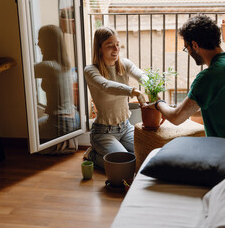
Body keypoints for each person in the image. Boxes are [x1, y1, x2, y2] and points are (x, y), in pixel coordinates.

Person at [148, 15, 225, 145]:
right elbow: (221, 109)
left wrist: (158, 104)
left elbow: (176, 118)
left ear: (194, 45)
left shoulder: (210, 76)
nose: (187, 52)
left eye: (186, 47)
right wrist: (179, 110)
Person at [84, 26, 147, 169]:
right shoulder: (91, 70)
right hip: (103, 133)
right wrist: (133, 91)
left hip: (126, 127)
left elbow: (140, 74)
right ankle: (92, 155)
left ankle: (108, 155)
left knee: (146, 155)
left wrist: (151, 83)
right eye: (110, 45)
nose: (116, 49)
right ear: (99, 48)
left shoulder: (124, 64)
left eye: (117, 44)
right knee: (125, 166)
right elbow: (106, 86)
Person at [35, 25, 80, 154]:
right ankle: (64, 141)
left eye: (40, 40)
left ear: (48, 43)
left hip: (61, 123)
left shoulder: (49, 66)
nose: (38, 44)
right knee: (39, 121)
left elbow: (25, 70)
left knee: (28, 133)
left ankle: (60, 145)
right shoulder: (64, 64)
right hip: (73, 117)